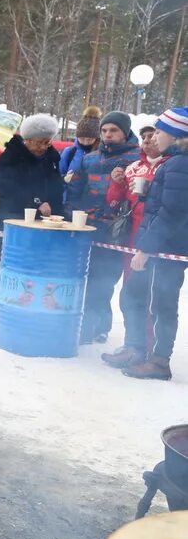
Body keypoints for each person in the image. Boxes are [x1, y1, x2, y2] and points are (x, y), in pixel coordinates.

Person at [111, 108, 188, 380]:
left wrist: (146, 248)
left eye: (160, 131)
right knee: (133, 295)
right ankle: (135, 348)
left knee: (160, 305)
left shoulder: (181, 164)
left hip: (166, 251)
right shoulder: (175, 162)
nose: (155, 137)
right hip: (159, 247)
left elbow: (172, 212)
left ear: (177, 136)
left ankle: (158, 361)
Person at [66, 111, 140, 344]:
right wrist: (73, 212)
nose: (108, 135)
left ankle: (90, 329)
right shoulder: (90, 158)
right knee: (88, 278)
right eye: (105, 130)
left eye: (114, 130)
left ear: (125, 132)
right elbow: (76, 189)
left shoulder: (136, 158)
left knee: (104, 279)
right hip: (88, 226)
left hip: (117, 230)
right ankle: (96, 325)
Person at [101, 125, 170, 369]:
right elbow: (114, 201)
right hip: (132, 241)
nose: (148, 140)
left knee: (153, 299)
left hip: (159, 242)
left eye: (153, 136)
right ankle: (133, 345)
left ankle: (151, 350)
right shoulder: (134, 167)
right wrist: (117, 183)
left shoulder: (170, 166)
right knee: (130, 295)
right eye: (144, 137)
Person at [0, 114, 64, 319]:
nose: (43, 147)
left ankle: (30, 309)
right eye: (39, 143)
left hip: (43, 225)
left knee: (36, 269)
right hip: (12, 222)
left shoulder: (52, 157)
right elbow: (4, 187)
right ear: (27, 140)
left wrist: (57, 206)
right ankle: (0, 311)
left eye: (47, 142)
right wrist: (37, 202)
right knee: (8, 268)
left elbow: (56, 186)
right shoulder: (10, 157)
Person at [60, 105, 102, 178]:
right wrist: (65, 178)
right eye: (82, 138)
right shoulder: (69, 153)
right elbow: (58, 176)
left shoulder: (103, 154)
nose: (85, 143)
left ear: (97, 138)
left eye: (89, 139)